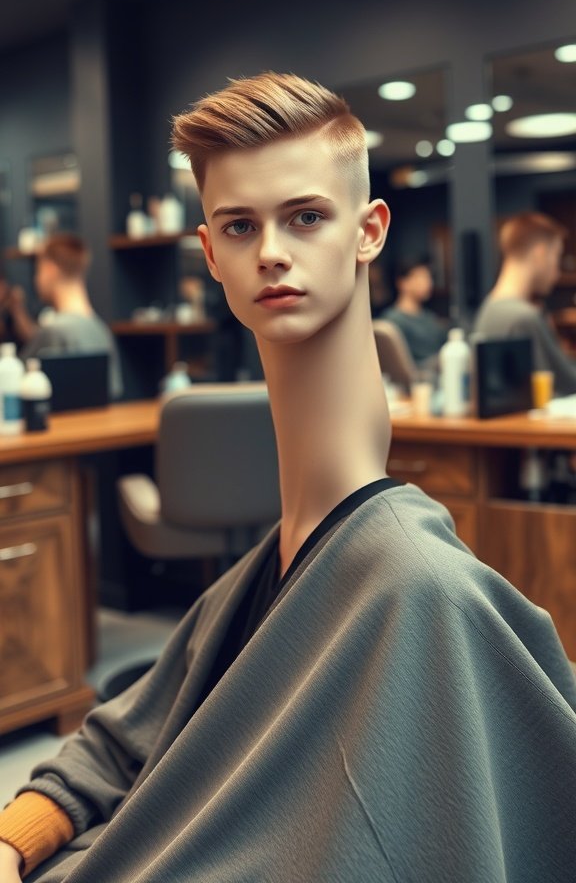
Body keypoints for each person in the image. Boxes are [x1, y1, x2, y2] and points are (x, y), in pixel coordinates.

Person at [1, 74, 575, 883]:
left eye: (305, 217)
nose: (270, 250)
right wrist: (12, 838)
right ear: (209, 254)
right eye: (240, 226)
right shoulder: (262, 573)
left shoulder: (416, 590)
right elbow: (118, 739)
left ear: (369, 230)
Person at [474, 211, 576, 396]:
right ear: (540, 253)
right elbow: (568, 383)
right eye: (556, 256)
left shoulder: (488, 309)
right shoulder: (524, 317)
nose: (557, 271)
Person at [18, 233, 123, 398]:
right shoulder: (101, 330)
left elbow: (12, 379)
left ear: (49, 269)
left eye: (38, 270)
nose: (36, 278)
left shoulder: (55, 331)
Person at [381, 255, 447, 365]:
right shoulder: (392, 321)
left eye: (428, 277)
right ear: (403, 283)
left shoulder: (429, 317)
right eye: (420, 277)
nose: (428, 282)